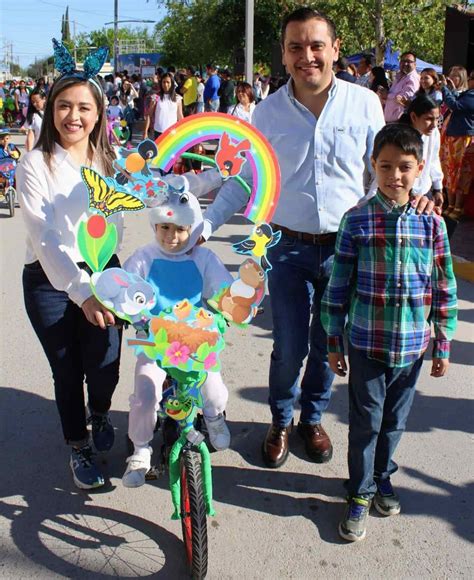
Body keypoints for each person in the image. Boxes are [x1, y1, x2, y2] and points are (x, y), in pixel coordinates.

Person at [201, 7, 388, 469]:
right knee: (289, 344)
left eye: (316, 45)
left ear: (335, 50)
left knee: (329, 341)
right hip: (286, 249)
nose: (308, 56)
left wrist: (415, 203)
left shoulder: (364, 104)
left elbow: (385, 171)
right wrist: (204, 227)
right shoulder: (266, 113)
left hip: (346, 250)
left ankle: (312, 418)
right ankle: (281, 419)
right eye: (296, 47)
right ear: (284, 56)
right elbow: (245, 179)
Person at [321, 123, 457, 542]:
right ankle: (359, 492)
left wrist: (443, 342)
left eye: (403, 167)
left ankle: (383, 477)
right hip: (366, 342)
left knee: (395, 421)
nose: (394, 176)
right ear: (372, 167)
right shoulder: (357, 220)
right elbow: (338, 283)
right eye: (385, 166)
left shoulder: (432, 225)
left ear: (419, 170)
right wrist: (333, 340)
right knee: (366, 421)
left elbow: (444, 285)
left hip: (413, 346)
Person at [16, 57, 123, 490]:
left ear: (99, 114)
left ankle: (99, 409)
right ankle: (78, 445)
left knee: (106, 364)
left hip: (104, 272)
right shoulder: (34, 165)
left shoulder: (110, 161)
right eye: (64, 105)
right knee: (67, 370)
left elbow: (151, 198)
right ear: (51, 110)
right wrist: (83, 292)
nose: (73, 116)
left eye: (83, 107)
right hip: (49, 280)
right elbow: (45, 238)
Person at [121, 181, 233, 487]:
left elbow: (224, 290)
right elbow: (126, 288)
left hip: (193, 340)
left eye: (181, 229)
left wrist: (232, 305)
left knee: (213, 387)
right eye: (164, 228)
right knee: (145, 394)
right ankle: (141, 448)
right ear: (155, 224)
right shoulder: (144, 257)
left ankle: (213, 417)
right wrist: (129, 309)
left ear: (194, 228)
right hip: (154, 340)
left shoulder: (203, 258)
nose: (172, 237)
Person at [439, 70, 474, 219]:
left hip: (463, 138)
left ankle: (458, 207)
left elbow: (455, 105)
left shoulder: (472, 96)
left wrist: (445, 89)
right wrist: (451, 89)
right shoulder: (467, 93)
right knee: (449, 172)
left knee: (461, 174)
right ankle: (451, 204)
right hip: (452, 137)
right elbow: (456, 99)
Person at [399, 95, 443, 206]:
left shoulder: (434, 133)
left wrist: (438, 188)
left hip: (423, 191)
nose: (434, 125)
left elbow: (433, 159)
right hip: (402, 193)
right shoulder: (398, 137)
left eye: (437, 119)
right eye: (429, 119)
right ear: (413, 117)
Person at [143, 72, 183, 140]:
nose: (166, 84)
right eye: (163, 82)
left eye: (168, 82)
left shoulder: (177, 98)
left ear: (172, 83)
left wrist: (184, 132)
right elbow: (149, 115)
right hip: (158, 132)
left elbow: (180, 116)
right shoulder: (156, 97)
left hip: (173, 133)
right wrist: (146, 131)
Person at [384, 51, 420, 122]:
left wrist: (387, 94)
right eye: (403, 61)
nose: (405, 63)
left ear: (415, 64)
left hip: (401, 122)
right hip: (391, 122)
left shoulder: (413, 78)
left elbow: (403, 99)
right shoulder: (399, 76)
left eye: (409, 61)